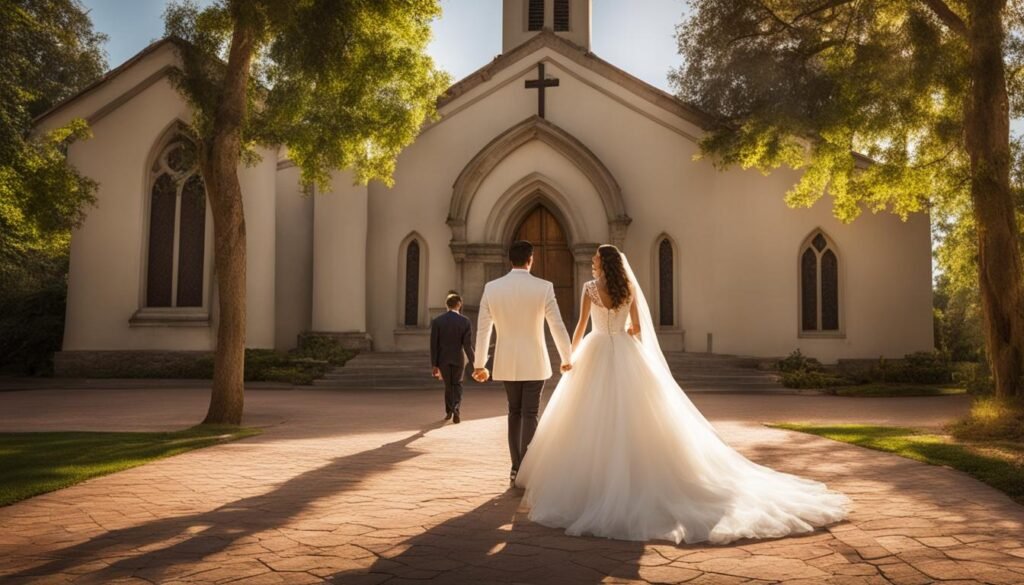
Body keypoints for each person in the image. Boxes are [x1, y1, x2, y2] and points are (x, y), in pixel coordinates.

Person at [513, 244, 850, 545]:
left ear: (604, 263)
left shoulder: (589, 289)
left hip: (596, 349)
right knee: (638, 415)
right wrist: (626, 331)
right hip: (626, 352)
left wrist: (570, 357)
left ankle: (592, 483)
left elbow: (581, 325)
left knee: (589, 418)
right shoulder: (627, 288)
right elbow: (638, 327)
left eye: (596, 258)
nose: (592, 262)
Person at [472, 240, 572, 484]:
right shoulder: (544, 287)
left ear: (510, 260)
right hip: (535, 360)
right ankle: (526, 468)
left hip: (506, 361)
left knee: (514, 412)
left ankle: (516, 467)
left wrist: (479, 364)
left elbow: (483, 329)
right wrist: (567, 358)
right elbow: (557, 325)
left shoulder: (492, 288)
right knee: (530, 413)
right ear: (531, 259)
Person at [430, 291, 474, 424]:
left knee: (448, 385)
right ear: (459, 304)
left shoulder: (437, 321)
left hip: (443, 359)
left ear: (446, 305)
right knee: (457, 384)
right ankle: (456, 409)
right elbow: (467, 345)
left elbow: (434, 345)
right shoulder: (465, 321)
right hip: (458, 358)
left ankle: (449, 411)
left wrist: (434, 364)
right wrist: (475, 362)